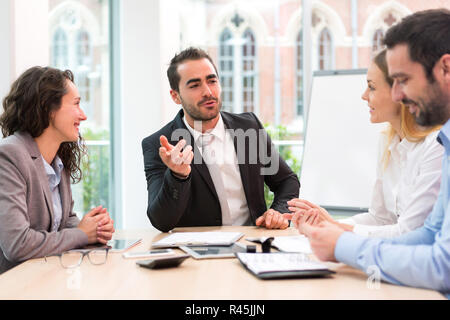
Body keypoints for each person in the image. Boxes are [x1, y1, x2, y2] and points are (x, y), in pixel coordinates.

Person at [293, 9, 450, 297]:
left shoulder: (437, 146)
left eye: (403, 80)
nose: (398, 95)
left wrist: (342, 242)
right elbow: (427, 234)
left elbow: (443, 265)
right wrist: (334, 229)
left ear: (445, 68)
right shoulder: (446, 142)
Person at [288, 49, 443, 238]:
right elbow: (381, 219)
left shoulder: (435, 146)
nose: (364, 95)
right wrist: (327, 223)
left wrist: (335, 227)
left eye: (372, 87)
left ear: (399, 92)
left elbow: (410, 232)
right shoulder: (387, 141)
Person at [142, 47, 300, 232]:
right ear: (175, 96)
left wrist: (278, 212)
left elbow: (287, 180)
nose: (208, 92)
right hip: (198, 252)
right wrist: (177, 176)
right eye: (194, 85)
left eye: (212, 81)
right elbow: (161, 221)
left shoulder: (249, 127)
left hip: (253, 244)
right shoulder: (160, 145)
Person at [0, 66, 115, 274]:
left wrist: (93, 228)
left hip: (49, 276)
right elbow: (16, 244)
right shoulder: (9, 155)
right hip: (14, 285)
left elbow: (64, 222)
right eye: (76, 104)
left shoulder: (57, 159)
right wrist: (82, 234)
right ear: (47, 108)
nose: (83, 115)